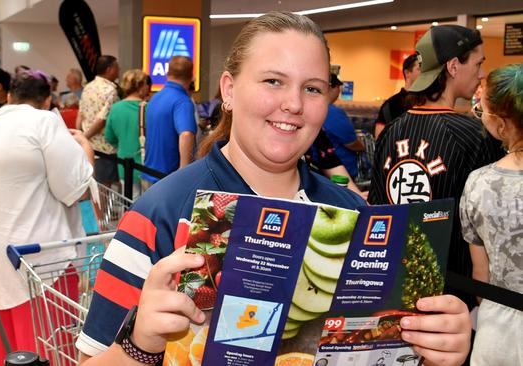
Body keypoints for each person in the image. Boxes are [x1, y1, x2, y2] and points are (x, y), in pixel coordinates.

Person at [77, 12, 472, 366]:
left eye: (313, 88)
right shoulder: (159, 213)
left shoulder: (352, 215)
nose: (294, 104)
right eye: (273, 81)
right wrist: (140, 345)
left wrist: (435, 350)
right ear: (229, 91)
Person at [368, 25, 504, 313]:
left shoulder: (392, 130)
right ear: (454, 66)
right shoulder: (473, 135)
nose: (481, 74)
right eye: (478, 63)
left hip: (392, 280)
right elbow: (486, 221)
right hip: (454, 294)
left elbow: (377, 209)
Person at [0, 71, 94, 366]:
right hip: (39, 254)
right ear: (47, 101)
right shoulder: (45, 121)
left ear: (8, 97)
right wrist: (85, 148)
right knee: (46, 343)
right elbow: (75, 188)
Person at [459, 63, 523, 366]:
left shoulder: (480, 183)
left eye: (481, 109)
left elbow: (481, 278)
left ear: (501, 124)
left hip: (500, 329)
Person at [140, 56, 197, 188]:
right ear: (191, 76)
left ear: (168, 73)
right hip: (169, 179)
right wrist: (184, 171)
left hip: (150, 172)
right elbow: (186, 134)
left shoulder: (155, 98)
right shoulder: (182, 101)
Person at [104, 69, 152, 196]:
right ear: (140, 86)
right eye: (146, 84)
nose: (148, 87)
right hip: (147, 164)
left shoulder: (115, 108)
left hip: (124, 163)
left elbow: (109, 137)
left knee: (130, 202)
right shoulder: (149, 108)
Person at [77, 55, 121, 187]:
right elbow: (102, 120)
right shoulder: (110, 90)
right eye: (117, 67)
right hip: (105, 148)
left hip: (87, 147)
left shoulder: (88, 87)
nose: (119, 70)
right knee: (105, 190)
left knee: (93, 186)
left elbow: (81, 114)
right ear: (109, 69)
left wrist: (81, 138)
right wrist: (85, 137)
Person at [321, 73, 365, 178]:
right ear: (333, 87)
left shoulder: (312, 109)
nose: (339, 92)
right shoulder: (333, 113)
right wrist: (363, 147)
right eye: (338, 88)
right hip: (339, 173)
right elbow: (352, 143)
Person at [374, 54, 420, 138]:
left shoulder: (428, 101)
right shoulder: (390, 105)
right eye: (419, 69)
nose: (424, 74)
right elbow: (379, 139)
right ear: (407, 73)